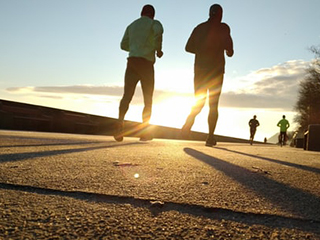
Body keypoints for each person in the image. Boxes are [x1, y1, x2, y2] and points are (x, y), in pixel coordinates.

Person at [181, 4, 234, 147]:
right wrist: (226, 51)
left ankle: (188, 122)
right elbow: (230, 50)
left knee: (199, 101)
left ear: (209, 13)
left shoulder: (199, 28)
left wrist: (201, 51)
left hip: (199, 70)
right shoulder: (224, 28)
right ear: (221, 14)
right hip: (216, 71)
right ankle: (210, 137)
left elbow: (188, 48)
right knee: (213, 104)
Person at [114, 5, 164, 142]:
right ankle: (144, 132)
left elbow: (123, 45)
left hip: (132, 62)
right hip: (146, 64)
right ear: (152, 14)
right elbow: (158, 34)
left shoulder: (132, 25)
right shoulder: (155, 23)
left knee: (127, 95)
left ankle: (119, 126)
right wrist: (158, 49)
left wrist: (135, 47)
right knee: (148, 99)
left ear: (141, 13)